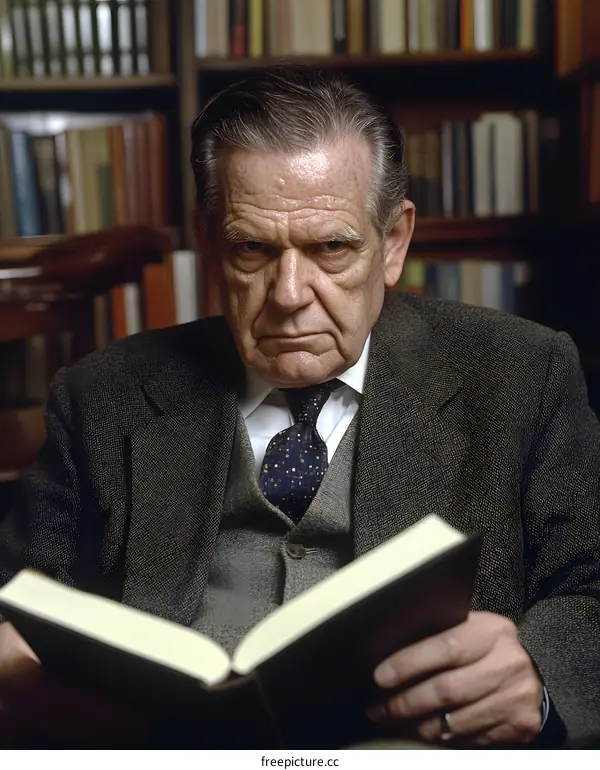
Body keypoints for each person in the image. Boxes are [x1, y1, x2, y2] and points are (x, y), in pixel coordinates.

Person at [1, 66, 599, 749]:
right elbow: (18, 596)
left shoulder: (522, 373)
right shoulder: (100, 395)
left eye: (331, 248)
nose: (289, 294)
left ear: (393, 243)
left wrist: (541, 680)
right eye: (251, 248)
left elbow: (591, 589)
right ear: (210, 244)